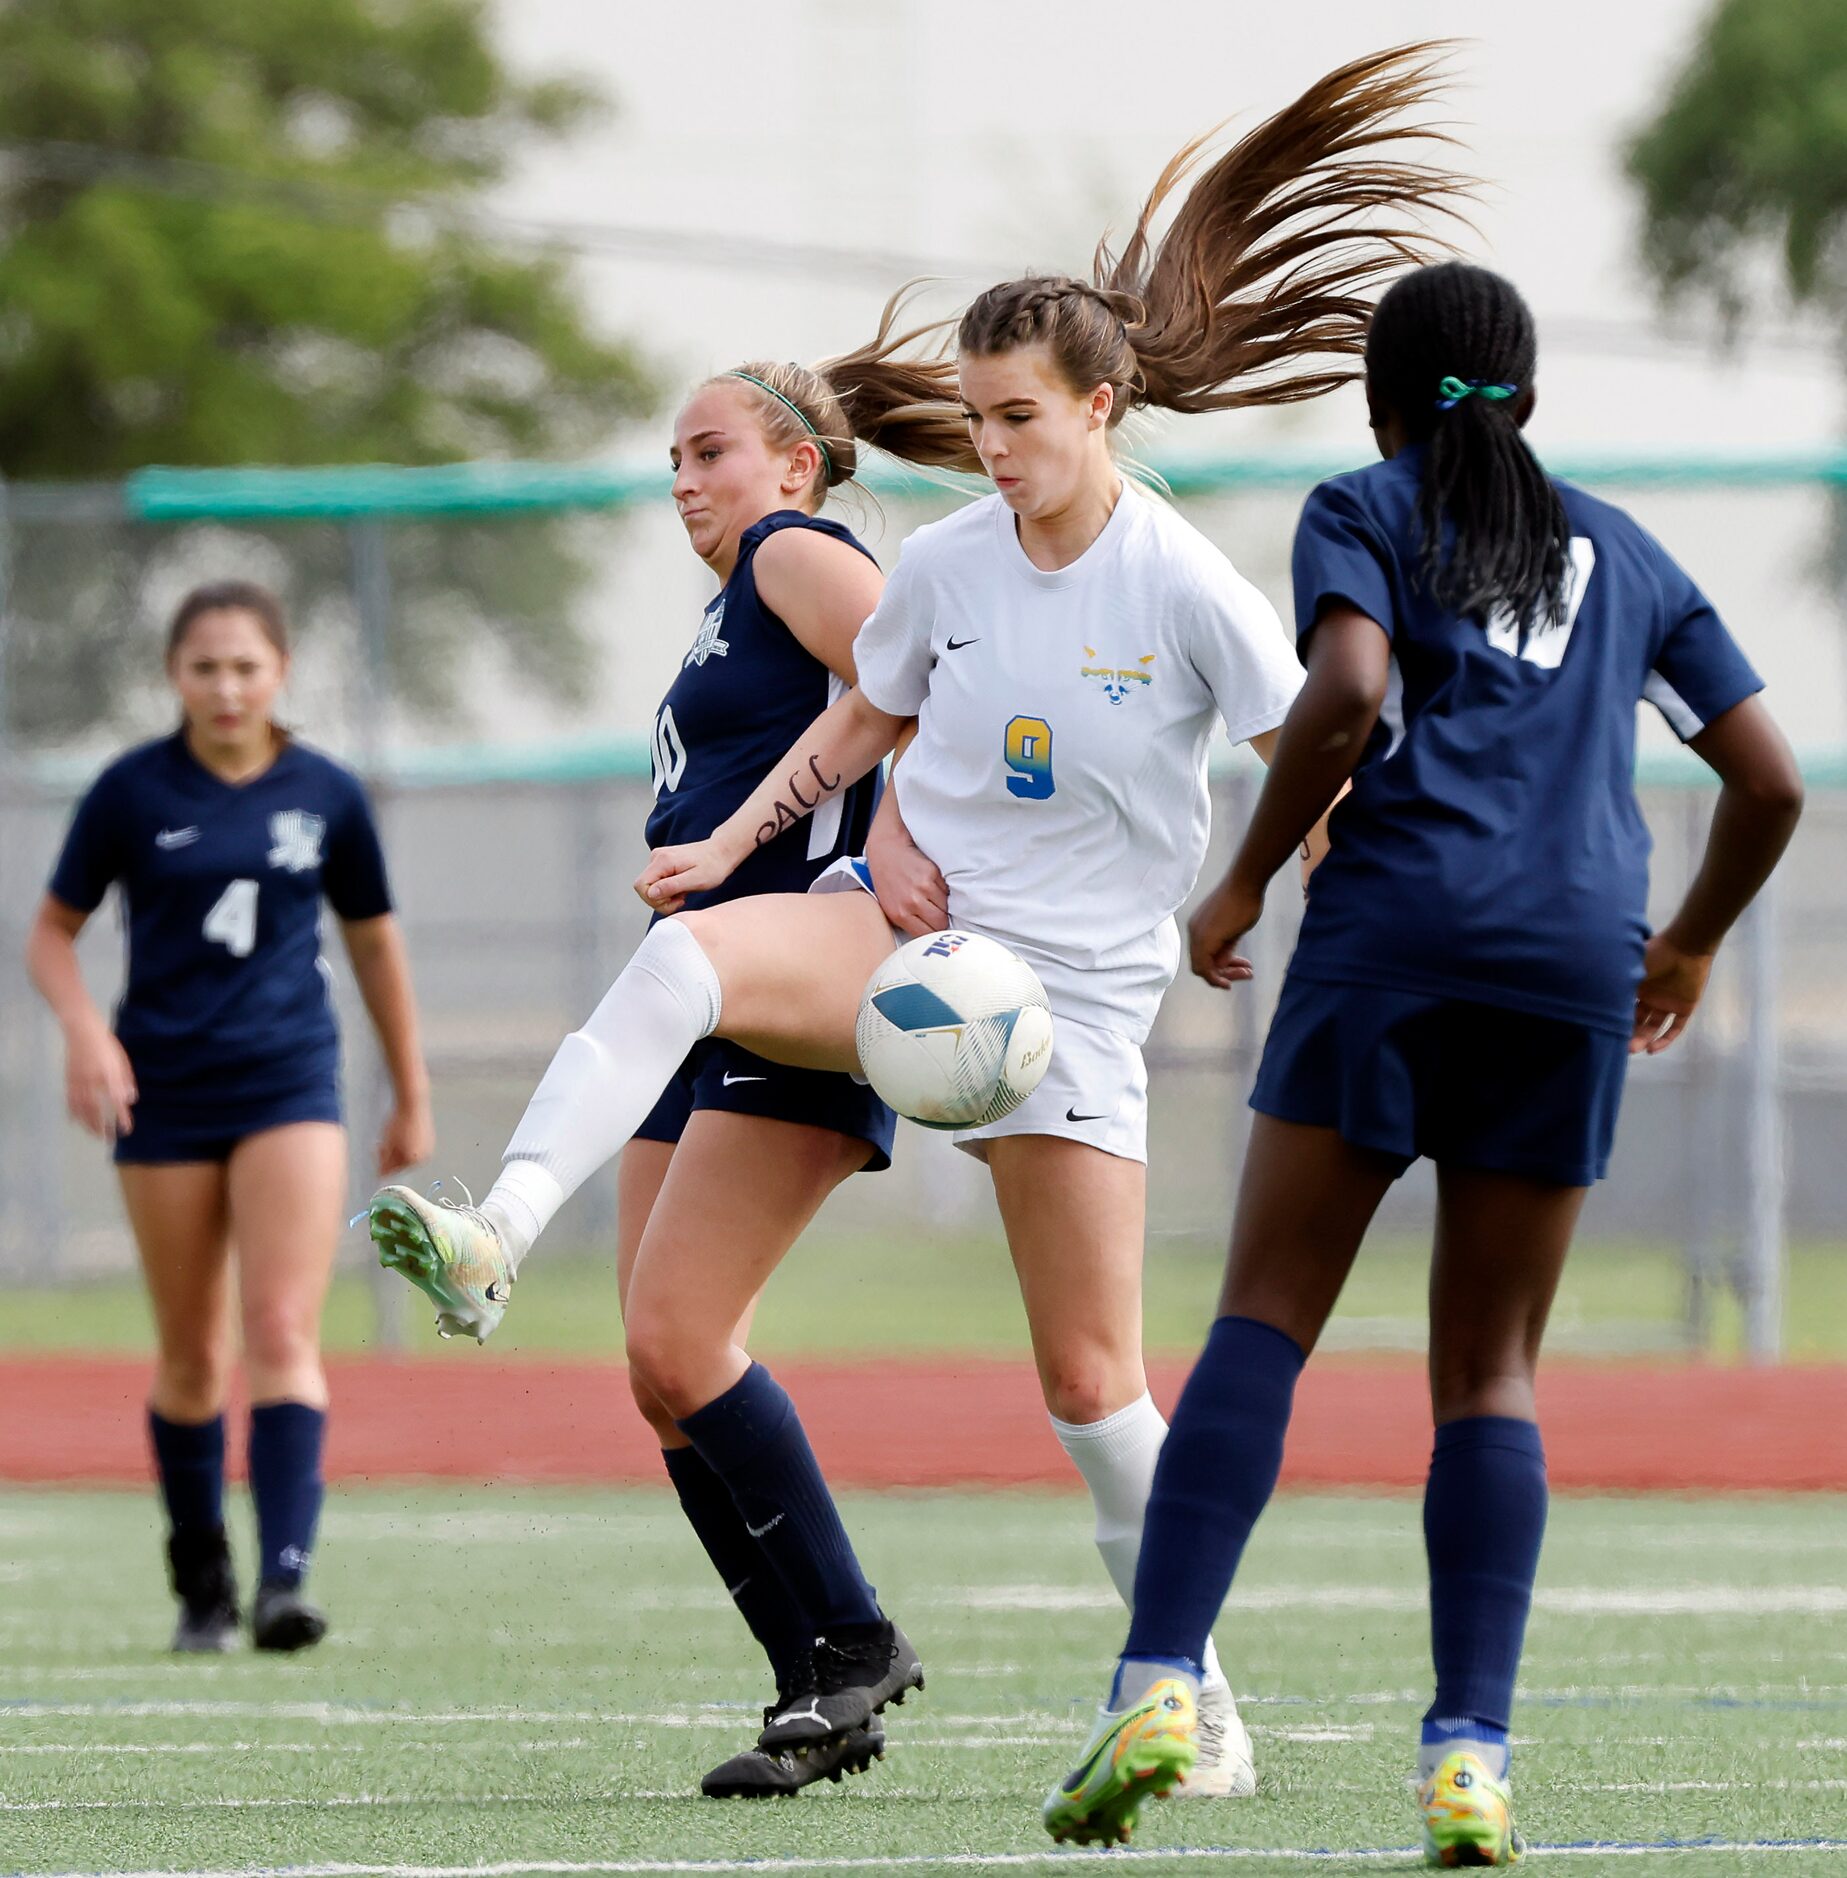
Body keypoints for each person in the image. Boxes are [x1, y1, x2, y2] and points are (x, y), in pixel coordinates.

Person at [370, 44, 1462, 1800]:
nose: (995, 445)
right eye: (977, 417)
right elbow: (860, 719)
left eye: (1024, 415)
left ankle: (1191, 1692)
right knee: (687, 958)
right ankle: (497, 1229)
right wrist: (734, 837)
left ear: (1101, 409)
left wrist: (1314, 903)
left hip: (1081, 1006)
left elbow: (1314, 750)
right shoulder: (946, 561)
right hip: (913, 952)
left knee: (1091, 1384)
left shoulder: (1179, 583)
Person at [1041, 261, 1805, 1866]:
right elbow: (1767, 781)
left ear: (1379, 398)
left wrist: (1242, 879)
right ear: (1526, 396)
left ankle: (1158, 1677)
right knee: (1488, 1371)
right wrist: (1686, 944)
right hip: (1570, 960)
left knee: (1264, 1316)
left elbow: (1347, 689)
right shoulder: (1629, 550)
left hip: (1390, 938)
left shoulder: (1363, 506)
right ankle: (1467, 1753)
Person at [396, 339, 955, 1798]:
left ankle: (849, 1639)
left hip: (801, 982)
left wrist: (891, 838)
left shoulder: (792, 547)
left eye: (709, 449)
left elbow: (922, 671)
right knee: (661, 1367)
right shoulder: (725, 614)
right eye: (673, 462)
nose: (685, 481)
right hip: (712, 1008)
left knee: (684, 1335)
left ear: (795, 462)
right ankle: (817, 1681)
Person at [25, 580, 432, 1655]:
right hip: (161, 1093)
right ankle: (201, 1578)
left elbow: (374, 943)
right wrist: (85, 1033)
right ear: (175, 677)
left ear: (279, 672)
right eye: (204, 666)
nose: (226, 686)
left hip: (288, 1082)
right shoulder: (128, 790)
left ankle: (283, 1584)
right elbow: (50, 935)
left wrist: (408, 1087)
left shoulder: (327, 795)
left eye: (246, 666)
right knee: (193, 1354)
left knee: (281, 1330)